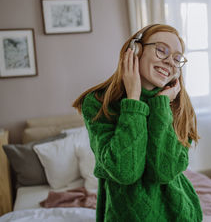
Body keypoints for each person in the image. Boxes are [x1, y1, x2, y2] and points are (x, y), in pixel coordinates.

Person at [72, 24, 202, 222]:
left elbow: (163, 172)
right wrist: (133, 99)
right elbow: (125, 171)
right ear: (135, 50)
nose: (169, 62)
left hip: (178, 214)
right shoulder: (98, 103)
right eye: (161, 50)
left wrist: (161, 105)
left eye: (177, 58)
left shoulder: (179, 106)